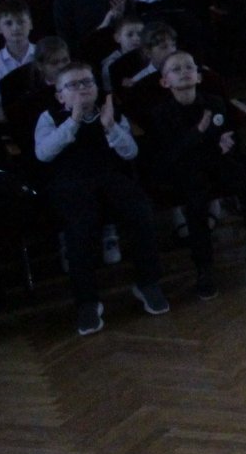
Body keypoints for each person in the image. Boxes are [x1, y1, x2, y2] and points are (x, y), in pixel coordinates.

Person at [34, 61, 168, 335]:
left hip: (108, 176)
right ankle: (87, 301)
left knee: (140, 211)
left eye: (87, 82)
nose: (82, 88)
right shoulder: (49, 117)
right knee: (79, 227)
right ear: (60, 95)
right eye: (73, 85)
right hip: (71, 182)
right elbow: (43, 153)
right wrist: (73, 121)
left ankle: (147, 283)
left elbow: (130, 152)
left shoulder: (110, 112)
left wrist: (110, 127)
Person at [145, 51, 246, 298]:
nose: (184, 72)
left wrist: (228, 144)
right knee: (196, 202)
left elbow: (227, 135)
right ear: (165, 81)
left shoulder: (213, 103)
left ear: (198, 76)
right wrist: (200, 132)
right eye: (176, 69)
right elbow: (170, 154)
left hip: (217, 162)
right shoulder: (161, 113)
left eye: (189, 67)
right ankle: (204, 267)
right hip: (186, 170)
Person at [0, 0, 37, 126]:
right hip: (7, 121)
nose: (15, 28)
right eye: (8, 23)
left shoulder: (43, 54)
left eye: (21, 22)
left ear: (30, 24)